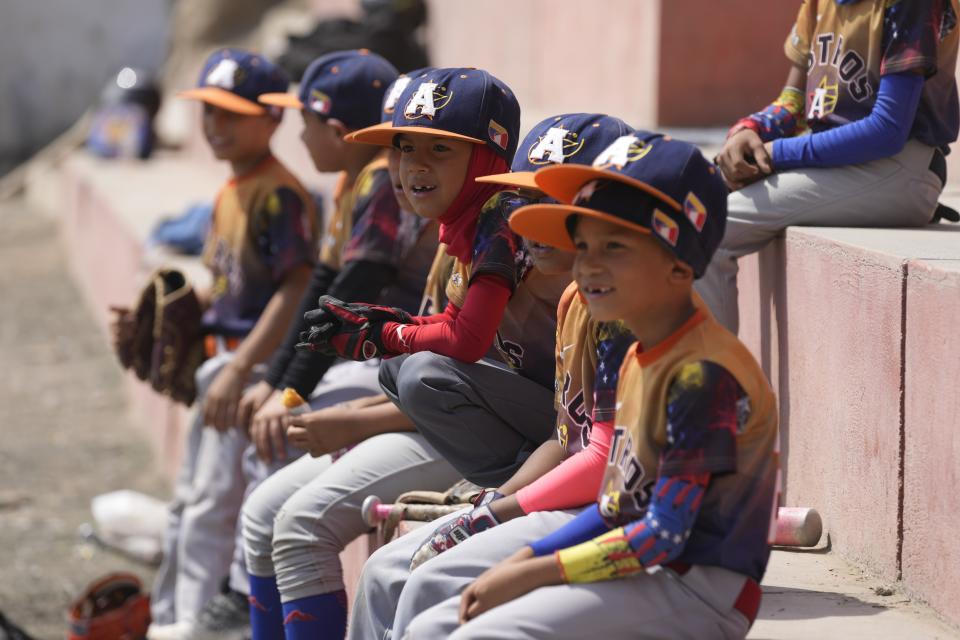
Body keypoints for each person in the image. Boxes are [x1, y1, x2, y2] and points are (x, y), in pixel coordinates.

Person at [400, 132, 780, 639]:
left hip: (699, 586)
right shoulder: (640, 354)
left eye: (614, 247)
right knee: (434, 623)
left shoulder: (701, 374)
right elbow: (617, 507)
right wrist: (525, 553)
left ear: (679, 264)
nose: (587, 266)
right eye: (582, 246)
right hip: (642, 563)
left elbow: (664, 534)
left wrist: (535, 569)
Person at [186, 57, 444, 640]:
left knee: (284, 437)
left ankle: (232, 594)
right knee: (264, 443)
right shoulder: (355, 180)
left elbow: (346, 298)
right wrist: (279, 381)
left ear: (335, 130)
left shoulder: (381, 180)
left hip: (388, 368)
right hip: (385, 372)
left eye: (306, 121)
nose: (299, 134)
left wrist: (290, 389)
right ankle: (234, 592)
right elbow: (325, 292)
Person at [136, 48, 317, 640]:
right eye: (209, 112)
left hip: (252, 364)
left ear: (272, 119)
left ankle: (193, 619)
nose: (215, 126)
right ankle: (172, 615)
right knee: (191, 497)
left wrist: (240, 369)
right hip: (226, 360)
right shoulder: (231, 189)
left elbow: (296, 289)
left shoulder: (280, 194)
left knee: (214, 499)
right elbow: (230, 284)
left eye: (232, 114)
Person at [700, 0, 959, 333]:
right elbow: (792, 102)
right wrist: (749, 131)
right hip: (834, 162)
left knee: (712, 226)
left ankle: (712, 383)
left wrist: (775, 154)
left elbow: (888, 131)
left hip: (900, 168)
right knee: (700, 192)